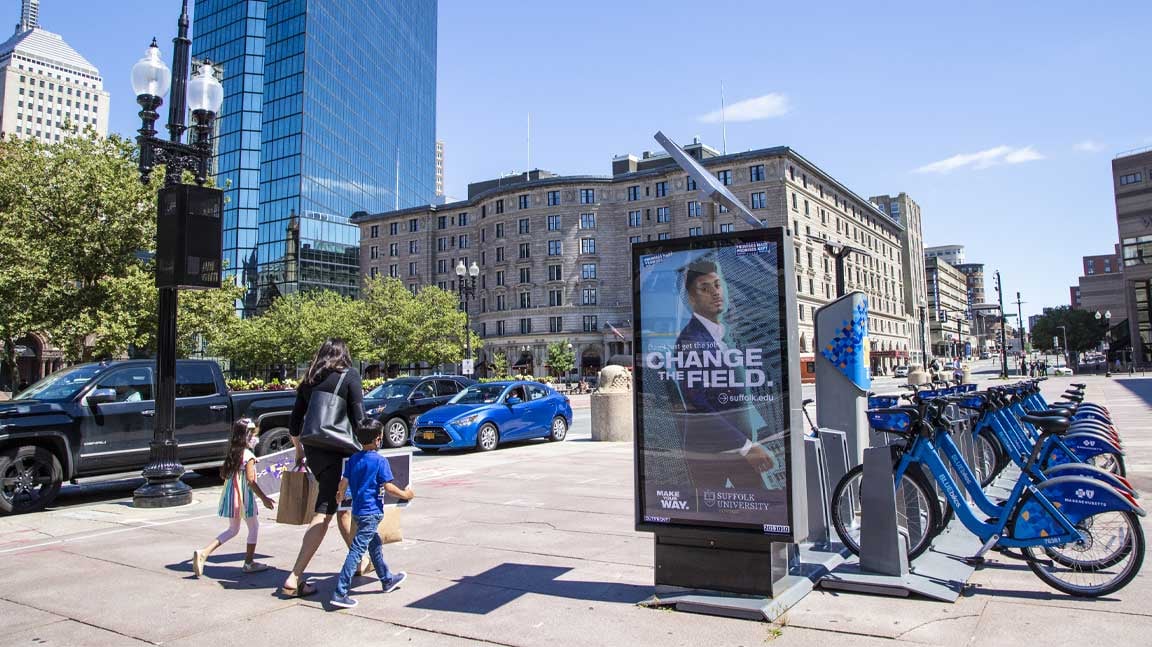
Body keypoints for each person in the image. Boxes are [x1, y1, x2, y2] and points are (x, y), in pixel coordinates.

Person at [671, 260, 774, 491]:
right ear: (691, 299)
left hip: (736, 446)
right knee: (709, 512)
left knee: (757, 508)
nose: (715, 292)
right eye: (704, 288)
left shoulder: (722, 335)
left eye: (717, 285)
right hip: (710, 451)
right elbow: (698, 403)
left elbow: (733, 393)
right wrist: (747, 447)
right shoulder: (691, 341)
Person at [280, 338, 365, 598]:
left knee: (342, 508)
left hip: (316, 450)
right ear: (344, 354)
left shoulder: (308, 380)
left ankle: (359, 561)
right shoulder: (350, 376)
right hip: (343, 450)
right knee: (326, 510)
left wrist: (299, 451)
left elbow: (294, 425)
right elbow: (359, 419)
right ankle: (294, 576)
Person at [330, 418, 415, 609]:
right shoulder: (379, 461)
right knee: (357, 550)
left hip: (358, 512)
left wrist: (340, 494)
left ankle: (387, 579)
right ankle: (340, 591)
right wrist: (406, 494)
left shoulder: (353, 459)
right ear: (378, 439)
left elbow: (343, 482)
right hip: (371, 512)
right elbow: (388, 486)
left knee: (374, 544)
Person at [193, 418, 275, 577]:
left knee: (233, 529)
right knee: (253, 527)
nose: (254, 438)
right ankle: (249, 562)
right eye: (252, 434)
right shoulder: (248, 455)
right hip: (244, 497)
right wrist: (264, 498)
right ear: (245, 436)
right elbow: (251, 481)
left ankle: (204, 552)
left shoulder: (234, 453)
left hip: (233, 495)